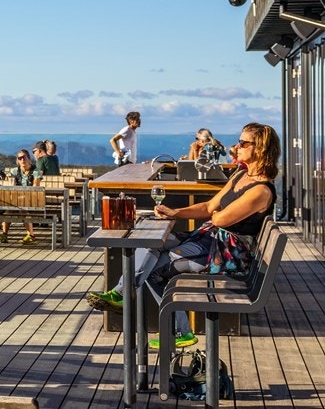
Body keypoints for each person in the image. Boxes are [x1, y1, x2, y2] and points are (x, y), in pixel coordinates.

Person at [86, 123, 281, 349]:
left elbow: (219, 219)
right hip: (208, 239)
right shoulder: (241, 175)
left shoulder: (261, 190)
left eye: (243, 143)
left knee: (154, 269)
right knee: (152, 243)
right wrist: (175, 212)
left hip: (224, 252)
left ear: (261, 148)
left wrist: (218, 214)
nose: (237, 146)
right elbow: (210, 207)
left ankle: (177, 328)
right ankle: (123, 293)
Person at [0, 150, 40, 244]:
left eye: (24, 157)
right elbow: (12, 186)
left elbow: (36, 188)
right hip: (17, 199)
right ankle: (4, 234)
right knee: (8, 211)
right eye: (20, 158)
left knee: (22, 208)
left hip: (32, 198)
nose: (22, 160)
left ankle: (31, 235)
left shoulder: (36, 171)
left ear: (29, 159)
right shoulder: (14, 171)